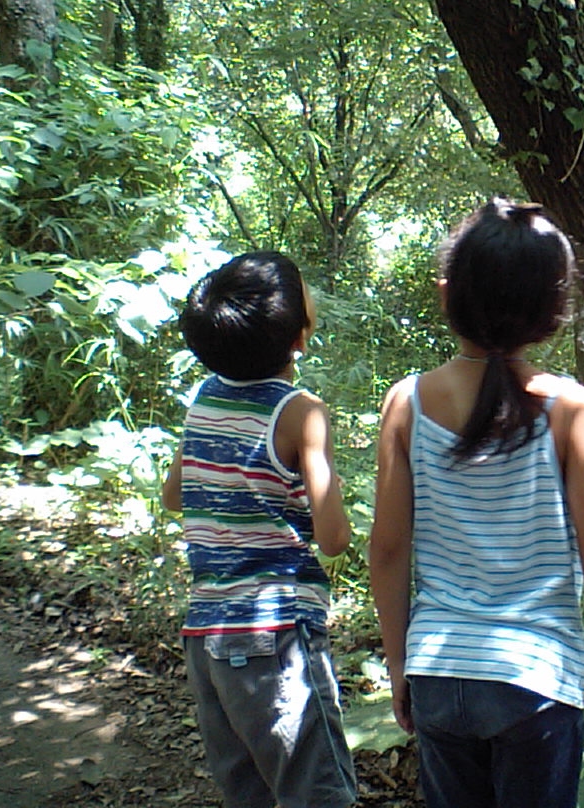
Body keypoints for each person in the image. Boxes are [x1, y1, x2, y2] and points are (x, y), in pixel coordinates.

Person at [368, 198, 584, 808]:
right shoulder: (570, 408)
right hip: (535, 680)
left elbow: (386, 551)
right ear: (553, 310)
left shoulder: (405, 403)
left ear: (446, 294)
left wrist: (399, 664)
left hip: (439, 667)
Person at [161, 251, 357, 808]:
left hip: (207, 635)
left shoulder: (204, 399)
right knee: (316, 792)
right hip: (277, 633)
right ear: (297, 334)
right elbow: (334, 537)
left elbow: (174, 494)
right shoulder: (300, 411)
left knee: (248, 791)